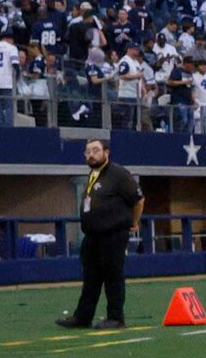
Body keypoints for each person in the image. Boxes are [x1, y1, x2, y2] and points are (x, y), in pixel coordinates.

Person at [56, 138, 142, 329]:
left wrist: (133, 222)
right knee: (91, 278)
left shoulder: (118, 174)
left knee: (113, 275)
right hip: (92, 236)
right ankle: (83, 317)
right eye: (88, 152)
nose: (91, 155)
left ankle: (116, 317)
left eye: (95, 150)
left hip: (113, 234)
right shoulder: (93, 174)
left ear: (106, 152)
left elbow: (138, 200)